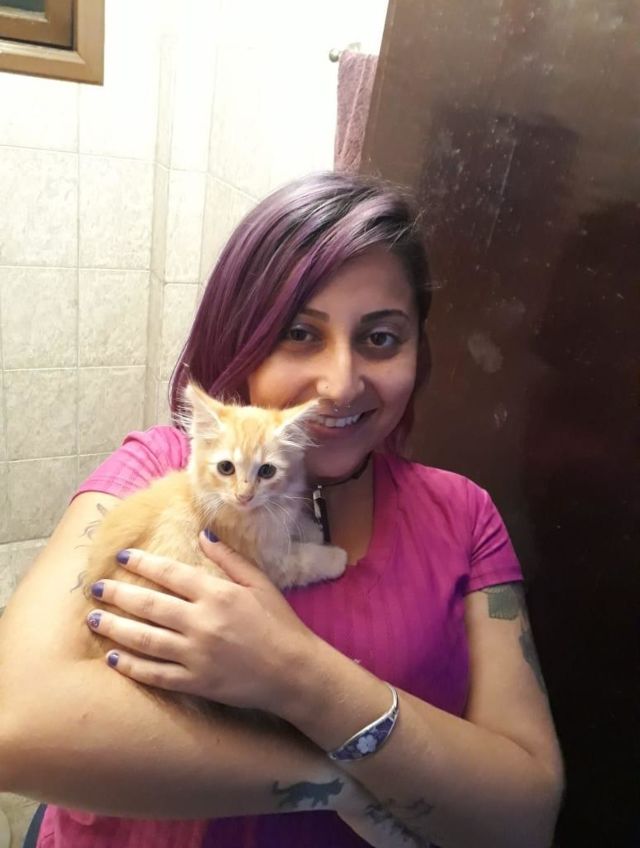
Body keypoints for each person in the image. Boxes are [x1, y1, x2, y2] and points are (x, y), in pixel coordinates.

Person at [0, 171, 564, 848]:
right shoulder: (162, 469)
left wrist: (299, 676)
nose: (339, 385)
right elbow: (13, 725)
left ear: (420, 349)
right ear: (243, 335)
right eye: (300, 332)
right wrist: (343, 780)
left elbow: (526, 818)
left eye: (381, 339)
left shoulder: (463, 515)